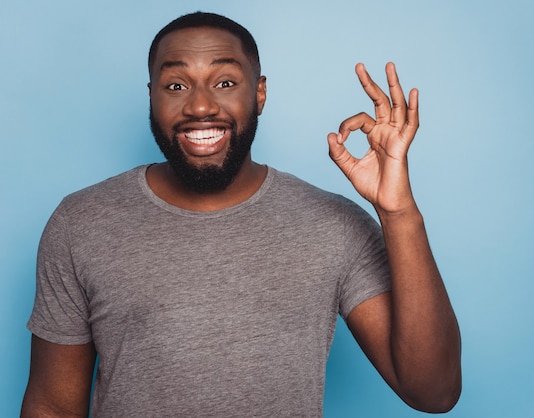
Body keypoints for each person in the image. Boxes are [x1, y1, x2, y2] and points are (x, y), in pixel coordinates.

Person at [21, 11, 461, 417]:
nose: (199, 106)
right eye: (176, 85)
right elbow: (51, 406)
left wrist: (398, 211)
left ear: (260, 93)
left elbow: (433, 391)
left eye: (225, 82)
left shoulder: (333, 226)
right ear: (151, 96)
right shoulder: (81, 222)